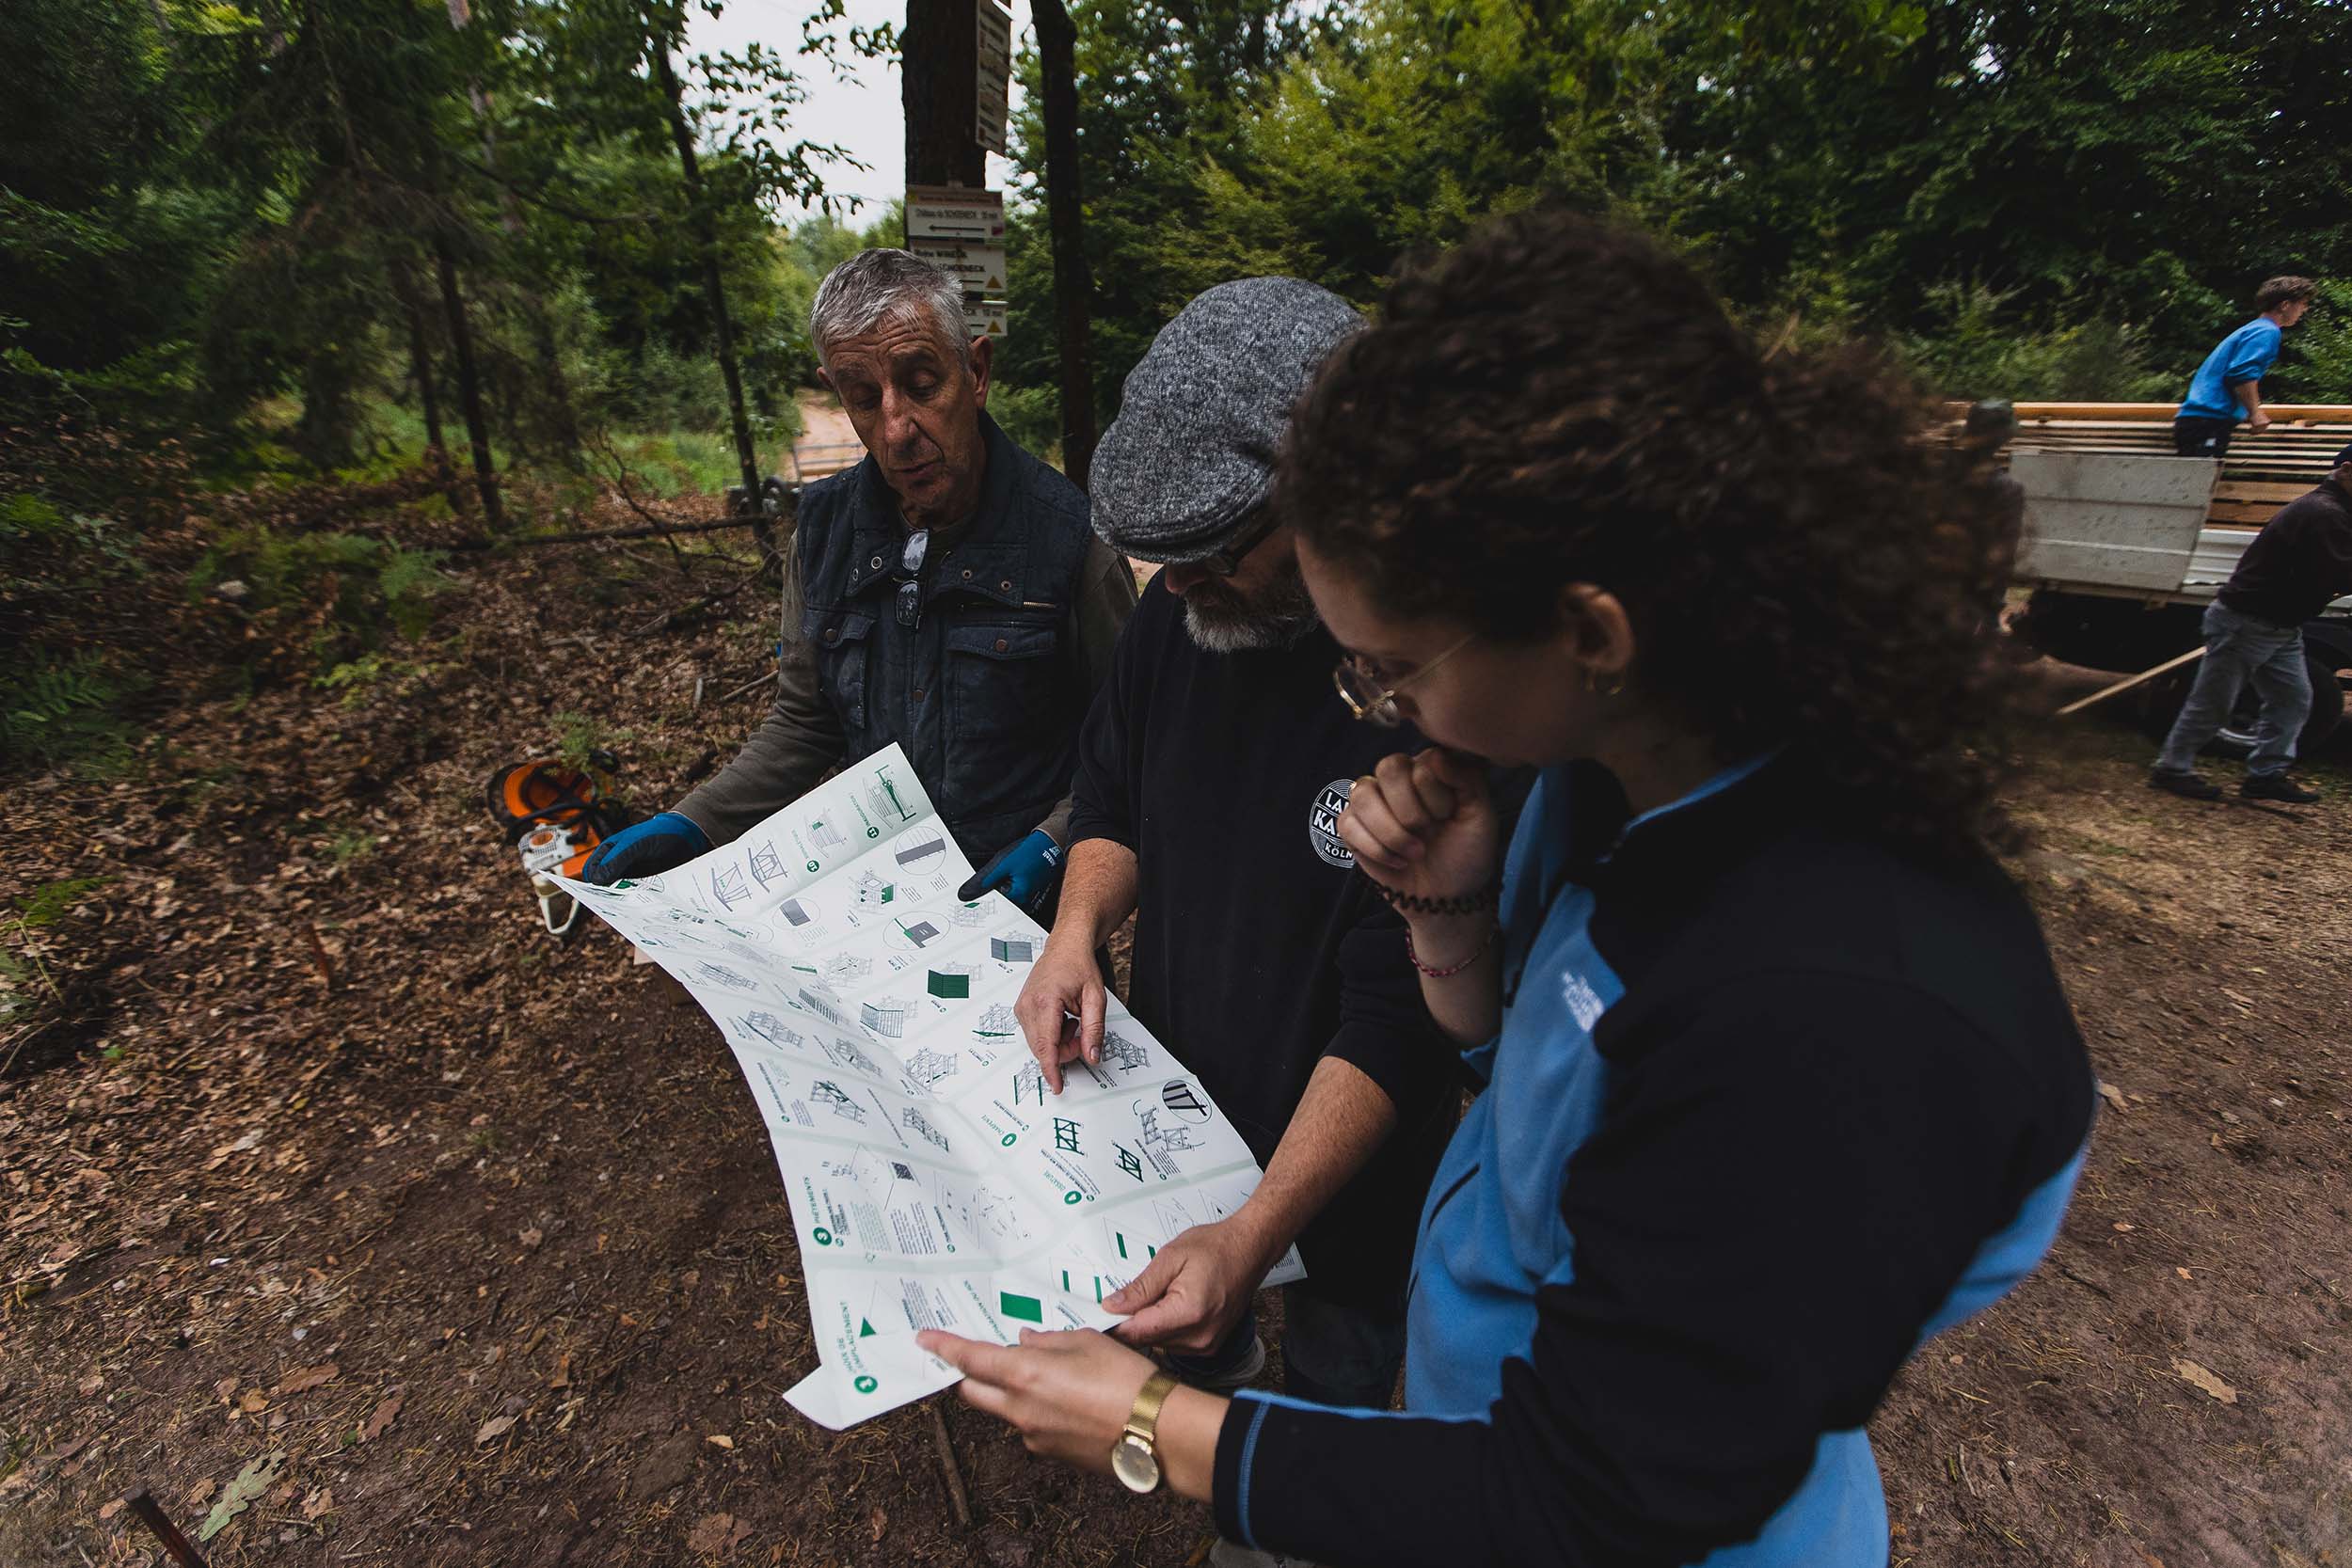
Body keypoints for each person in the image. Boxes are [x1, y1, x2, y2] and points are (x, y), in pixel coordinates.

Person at [917, 209, 2095, 1568]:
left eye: (1392, 666)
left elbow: (1582, 1502)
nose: (1381, 708)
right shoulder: (1616, 780)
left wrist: (1152, 1424)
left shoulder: (1831, 1009)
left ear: (1591, 628)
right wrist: (1451, 912)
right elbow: (1525, 1067)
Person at [1009, 280, 1459, 1458]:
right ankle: (1224, 1357)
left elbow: (1400, 1018)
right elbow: (1114, 799)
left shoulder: (1419, 687)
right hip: (1175, 1104)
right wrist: (1076, 930)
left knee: (1330, 1379)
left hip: (1341, 1168)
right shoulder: (1181, 617)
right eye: (1165, 558)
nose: (1184, 581)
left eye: (1216, 553)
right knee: (1193, 1319)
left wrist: (1260, 1228)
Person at [580, 249, 1137, 915]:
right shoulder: (823, 531)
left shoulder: (1071, 538)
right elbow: (803, 721)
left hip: (1032, 925)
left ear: (977, 370)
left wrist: (1054, 841)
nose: (896, 429)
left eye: (923, 384)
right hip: (874, 924)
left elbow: (1130, 740)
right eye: (864, 398)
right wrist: (695, 823)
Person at [2149, 440, 2352, 802]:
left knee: (2293, 700)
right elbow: (2335, 573)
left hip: (2280, 626)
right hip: (2247, 621)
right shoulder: (2324, 513)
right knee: (2213, 702)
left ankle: (2266, 775)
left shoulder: (2335, 510)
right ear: (2347, 470)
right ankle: (2172, 768)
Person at [2173, 277, 2316, 458]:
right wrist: (2255, 413)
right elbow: (2242, 373)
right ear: (2285, 305)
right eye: (2303, 304)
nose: (2305, 310)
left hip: (2199, 420)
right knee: (2197, 483)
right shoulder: (2267, 331)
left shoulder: (2253, 329)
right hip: (2208, 420)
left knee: (2196, 483)